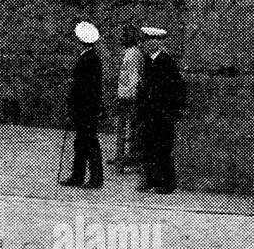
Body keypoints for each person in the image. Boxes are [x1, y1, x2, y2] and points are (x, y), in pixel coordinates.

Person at [133, 27, 186, 194]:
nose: (144, 45)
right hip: (149, 113)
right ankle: (151, 179)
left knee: (163, 148)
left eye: (147, 41)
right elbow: (144, 87)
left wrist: (171, 111)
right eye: (144, 41)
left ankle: (168, 182)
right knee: (148, 146)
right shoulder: (149, 61)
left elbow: (177, 88)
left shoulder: (166, 62)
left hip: (162, 114)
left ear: (156, 42)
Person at [61, 22, 105, 188]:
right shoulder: (91, 58)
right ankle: (78, 176)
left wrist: (72, 100)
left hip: (85, 108)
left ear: (80, 41)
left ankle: (94, 178)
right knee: (81, 142)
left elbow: (83, 87)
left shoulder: (88, 59)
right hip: (87, 107)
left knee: (89, 142)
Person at [111, 24, 144, 172]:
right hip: (125, 96)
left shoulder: (133, 54)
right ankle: (122, 156)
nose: (121, 39)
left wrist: (128, 96)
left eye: (124, 36)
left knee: (128, 130)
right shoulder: (129, 52)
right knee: (124, 129)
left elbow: (133, 78)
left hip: (129, 98)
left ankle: (125, 158)